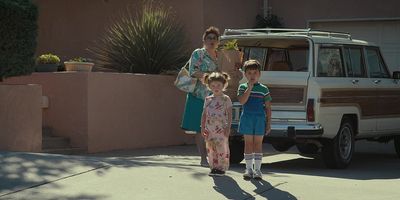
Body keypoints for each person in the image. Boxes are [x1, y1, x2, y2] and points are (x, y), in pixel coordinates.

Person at [181, 26, 221, 167]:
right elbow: (193, 71)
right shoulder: (199, 53)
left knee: (213, 128)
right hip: (198, 95)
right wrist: (209, 76)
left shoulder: (219, 56)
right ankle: (203, 159)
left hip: (214, 97)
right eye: (209, 38)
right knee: (199, 128)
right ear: (204, 40)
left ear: (218, 41)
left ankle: (213, 157)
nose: (212, 40)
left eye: (214, 38)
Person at [237, 60, 272, 179]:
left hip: (259, 119)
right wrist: (249, 88)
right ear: (245, 74)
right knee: (248, 143)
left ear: (259, 74)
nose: (252, 75)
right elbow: (242, 101)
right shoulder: (242, 87)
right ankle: (248, 169)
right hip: (247, 118)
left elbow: (268, 107)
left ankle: (258, 170)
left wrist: (268, 123)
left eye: (255, 73)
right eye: (249, 73)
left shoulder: (264, 89)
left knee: (258, 144)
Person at [201, 72, 233, 176]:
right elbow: (204, 114)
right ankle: (213, 167)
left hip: (221, 129)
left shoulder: (226, 99)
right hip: (210, 129)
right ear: (209, 86)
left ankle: (221, 168)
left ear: (224, 85)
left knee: (221, 148)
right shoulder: (208, 99)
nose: (216, 87)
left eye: (218, 85)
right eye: (213, 85)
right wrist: (203, 128)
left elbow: (229, 114)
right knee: (211, 148)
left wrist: (228, 127)